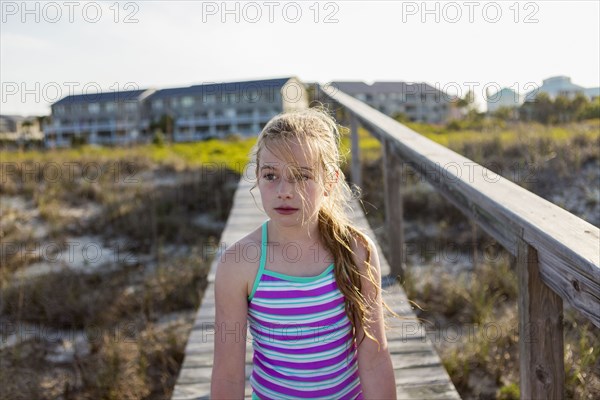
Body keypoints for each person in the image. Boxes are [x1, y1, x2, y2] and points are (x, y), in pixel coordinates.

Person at [211, 107, 396, 399]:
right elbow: (228, 373)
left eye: (302, 176)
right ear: (257, 178)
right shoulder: (239, 263)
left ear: (331, 181)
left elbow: (374, 357)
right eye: (271, 175)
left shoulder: (356, 251)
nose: (285, 190)